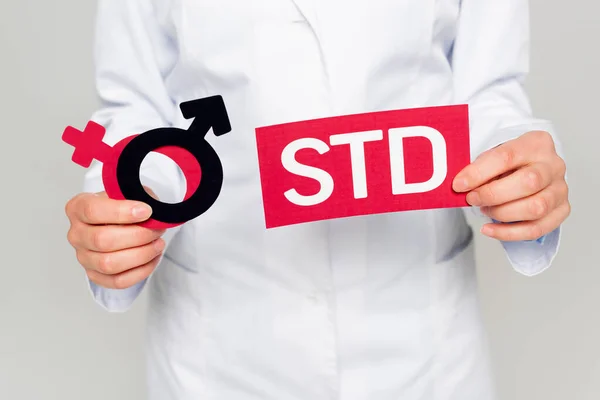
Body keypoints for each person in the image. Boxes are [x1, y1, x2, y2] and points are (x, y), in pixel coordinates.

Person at [64, 1, 570, 399]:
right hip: (223, 343)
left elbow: (486, 94)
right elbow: (138, 104)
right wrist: (134, 205)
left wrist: (514, 168)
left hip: (420, 344)